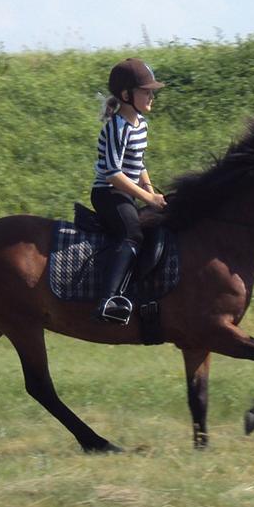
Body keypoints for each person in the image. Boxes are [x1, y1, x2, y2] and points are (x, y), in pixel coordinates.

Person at [90, 58, 167, 323]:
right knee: (132, 234)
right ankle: (108, 300)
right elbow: (113, 174)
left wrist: (150, 189)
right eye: (146, 91)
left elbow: (138, 163)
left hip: (129, 191)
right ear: (126, 95)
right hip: (108, 194)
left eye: (151, 91)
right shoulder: (115, 127)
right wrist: (147, 198)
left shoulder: (141, 124)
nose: (151, 95)